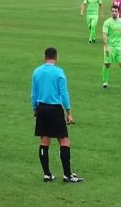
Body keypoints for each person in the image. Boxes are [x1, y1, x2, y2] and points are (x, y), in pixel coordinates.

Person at [31, 47, 84, 183]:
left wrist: (35, 110)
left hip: (41, 108)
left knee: (44, 140)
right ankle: (67, 175)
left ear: (45, 57)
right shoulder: (59, 73)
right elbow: (64, 94)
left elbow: (34, 94)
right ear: (56, 57)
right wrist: (69, 113)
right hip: (54, 109)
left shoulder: (37, 72)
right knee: (64, 140)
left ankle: (47, 174)